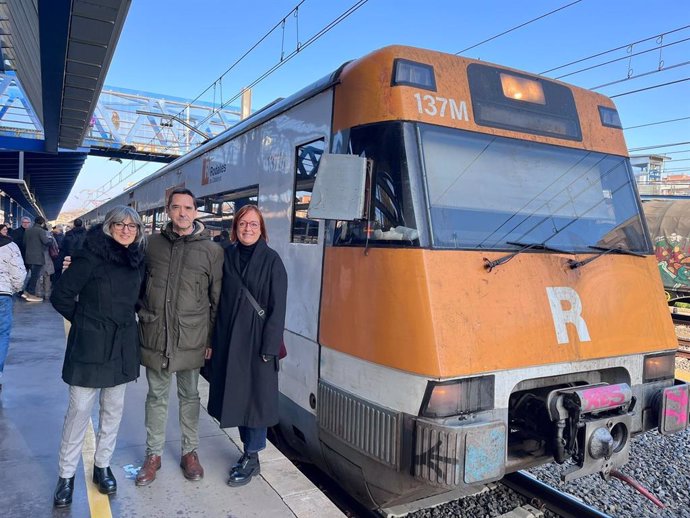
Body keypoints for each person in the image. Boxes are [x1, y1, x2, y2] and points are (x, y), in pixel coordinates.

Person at [50, 206, 145, 508]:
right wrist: (85, 322)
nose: (127, 230)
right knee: (79, 411)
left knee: (112, 411)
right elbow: (61, 296)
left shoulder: (136, 261)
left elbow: (139, 300)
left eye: (133, 226)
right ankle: (66, 476)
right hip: (90, 345)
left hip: (121, 345)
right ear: (109, 227)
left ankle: (102, 467)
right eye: (121, 224)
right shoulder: (88, 256)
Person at [135, 188, 223, 486]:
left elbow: (216, 300)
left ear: (195, 212)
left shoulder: (212, 251)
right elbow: (135, 286)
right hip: (156, 334)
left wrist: (209, 340)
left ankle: (190, 452)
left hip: (191, 337)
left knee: (190, 396)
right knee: (156, 396)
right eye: (176, 207)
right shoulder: (151, 245)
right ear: (168, 211)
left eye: (188, 207)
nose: (183, 212)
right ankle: (153, 455)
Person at [207, 205, 287, 487]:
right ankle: (247, 452)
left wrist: (269, 347)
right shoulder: (225, 255)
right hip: (229, 338)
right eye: (243, 224)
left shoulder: (272, 260)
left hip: (257, 342)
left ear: (261, 229)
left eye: (253, 225)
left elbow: (278, 308)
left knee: (255, 401)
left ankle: (252, 457)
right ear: (235, 228)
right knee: (238, 397)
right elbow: (215, 297)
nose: (248, 229)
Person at [0, 224, 27, 393]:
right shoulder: (10, 246)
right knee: (2, 334)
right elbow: (18, 274)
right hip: (2, 294)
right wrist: (16, 288)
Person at [22, 216, 50, 302]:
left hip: (28, 257)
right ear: (42, 223)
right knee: (35, 276)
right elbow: (46, 242)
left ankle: (26, 292)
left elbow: (24, 243)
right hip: (38, 258)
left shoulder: (27, 230)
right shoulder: (41, 231)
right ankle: (31, 294)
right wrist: (51, 240)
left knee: (32, 275)